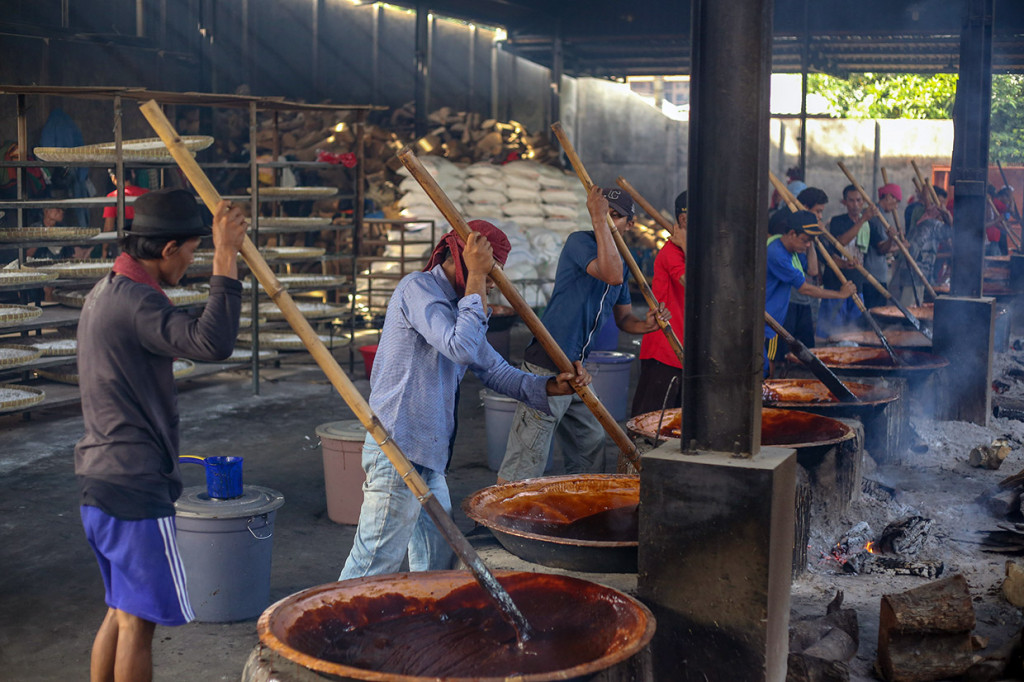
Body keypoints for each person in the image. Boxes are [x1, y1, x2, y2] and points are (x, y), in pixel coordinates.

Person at [340, 221, 590, 579]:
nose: (490, 285)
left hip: (429, 457)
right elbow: (460, 348)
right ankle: (325, 630)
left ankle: (426, 621)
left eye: (493, 276)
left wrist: (552, 386)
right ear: (461, 257)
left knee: (439, 560)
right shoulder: (417, 288)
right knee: (374, 561)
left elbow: (495, 370)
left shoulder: (462, 307)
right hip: (397, 449)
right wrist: (476, 276)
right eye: (489, 274)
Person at [75, 189, 247, 682]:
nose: (191, 263)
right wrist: (226, 254)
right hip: (134, 483)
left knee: (120, 611)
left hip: (99, 481)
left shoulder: (104, 291)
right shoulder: (135, 302)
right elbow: (212, 342)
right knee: (139, 625)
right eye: (192, 251)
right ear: (168, 249)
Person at [497, 186, 666, 483]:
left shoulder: (623, 265)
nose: (610, 221)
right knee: (528, 454)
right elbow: (609, 273)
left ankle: (577, 503)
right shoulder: (580, 242)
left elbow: (625, 318)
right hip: (547, 364)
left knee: (589, 441)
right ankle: (496, 526)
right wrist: (599, 219)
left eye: (617, 216)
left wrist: (648, 324)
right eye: (605, 214)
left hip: (577, 370)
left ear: (631, 223)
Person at [765, 211, 856, 378]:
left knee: (769, 364)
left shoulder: (794, 250)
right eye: (804, 240)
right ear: (792, 234)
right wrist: (840, 294)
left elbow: (813, 270)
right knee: (766, 368)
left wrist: (812, 242)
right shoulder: (776, 254)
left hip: (774, 322)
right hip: (766, 323)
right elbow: (805, 288)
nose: (806, 245)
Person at [631, 191, 687, 416]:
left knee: (676, 427)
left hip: (685, 351)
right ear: (683, 220)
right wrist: (684, 244)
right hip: (666, 351)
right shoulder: (671, 252)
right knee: (650, 423)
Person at [768, 187, 825, 357]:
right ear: (806, 208)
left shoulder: (805, 239)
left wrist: (812, 238)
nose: (820, 217)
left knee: (806, 350)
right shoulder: (782, 227)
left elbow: (813, 270)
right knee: (781, 352)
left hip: (802, 300)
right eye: (818, 212)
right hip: (788, 300)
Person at [862, 184, 902, 309]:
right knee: (875, 312)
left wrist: (899, 246)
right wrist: (893, 240)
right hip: (873, 276)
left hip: (876, 274)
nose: (896, 206)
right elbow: (881, 248)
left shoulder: (881, 216)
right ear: (889, 197)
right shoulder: (876, 218)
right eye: (896, 202)